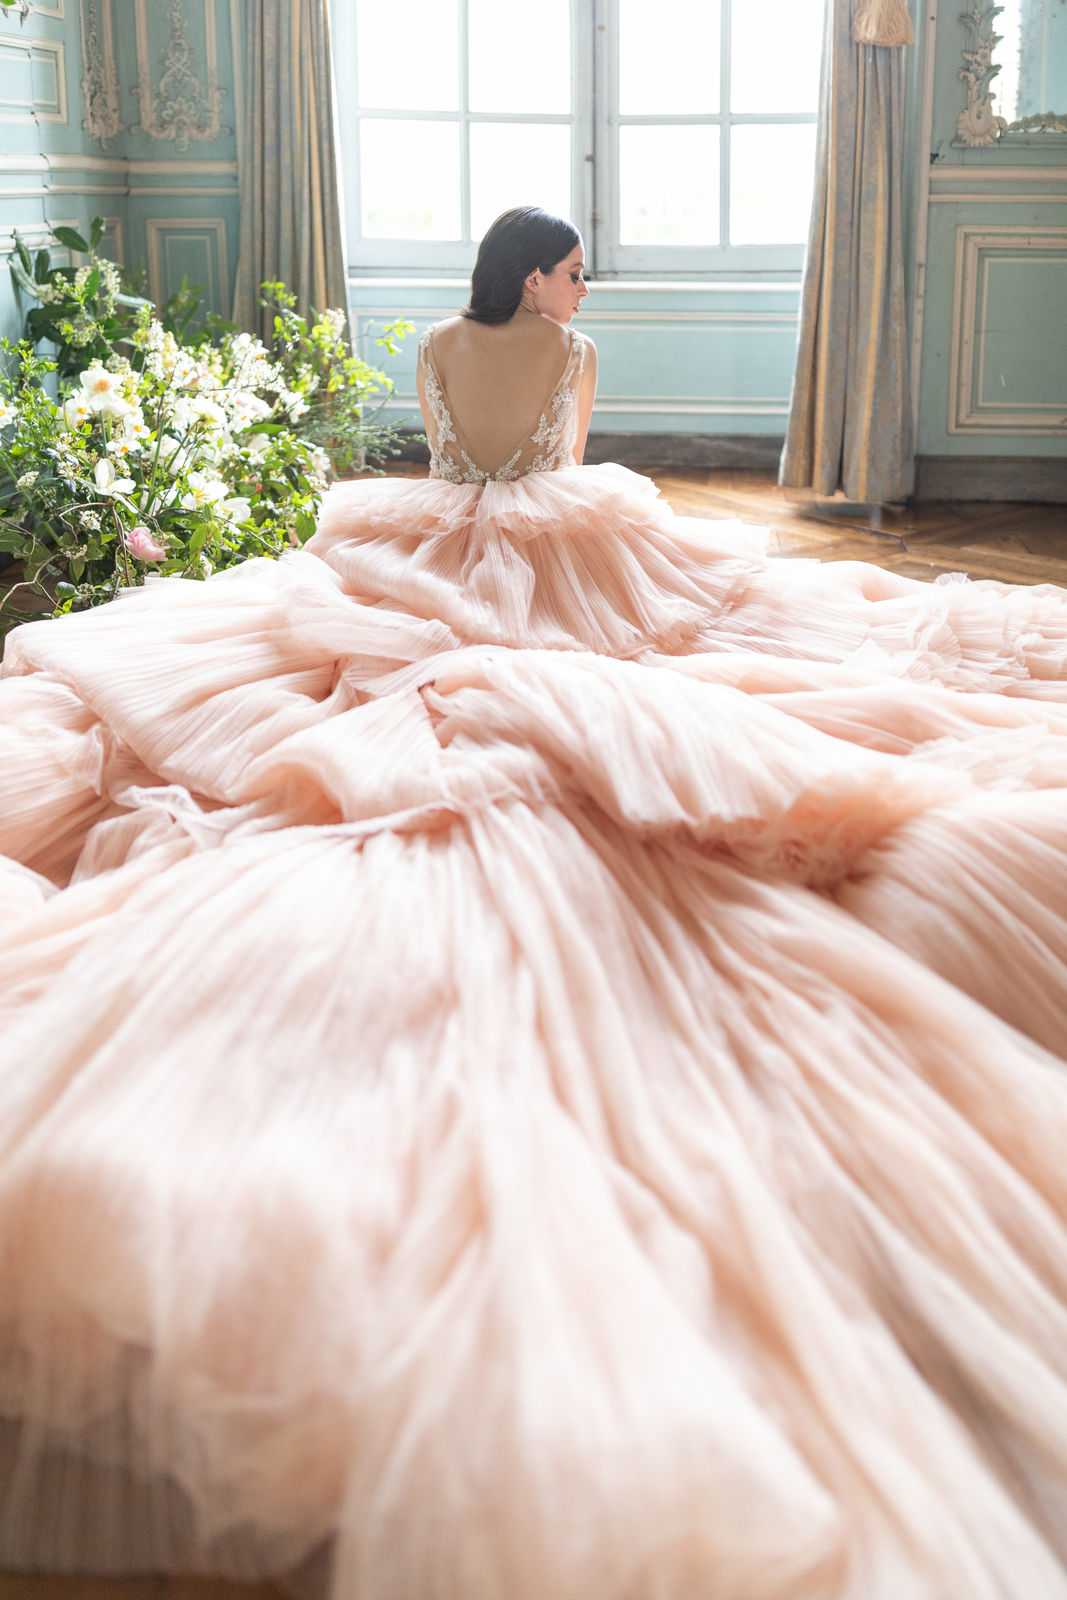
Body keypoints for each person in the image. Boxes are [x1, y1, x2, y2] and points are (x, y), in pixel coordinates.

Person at [0, 204, 1066, 1600]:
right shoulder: (578, 356)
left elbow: (452, 459)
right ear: (541, 278)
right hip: (564, 548)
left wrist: (481, 507)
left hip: (424, 540)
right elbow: (559, 466)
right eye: (572, 269)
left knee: (347, 669)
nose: (583, 287)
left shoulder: (443, 341)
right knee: (675, 638)